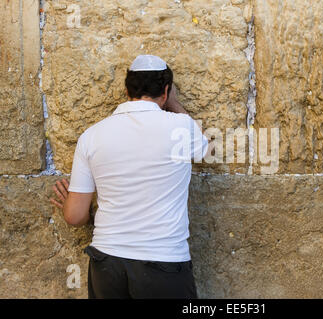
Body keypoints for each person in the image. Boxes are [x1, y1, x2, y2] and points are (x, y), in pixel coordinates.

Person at [50, 55, 209, 299]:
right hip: (162, 263)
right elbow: (204, 150)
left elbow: (74, 216)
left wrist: (75, 204)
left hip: (107, 263)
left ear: (126, 91)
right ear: (165, 91)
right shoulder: (182, 127)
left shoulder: (91, 136)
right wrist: (175, 104)